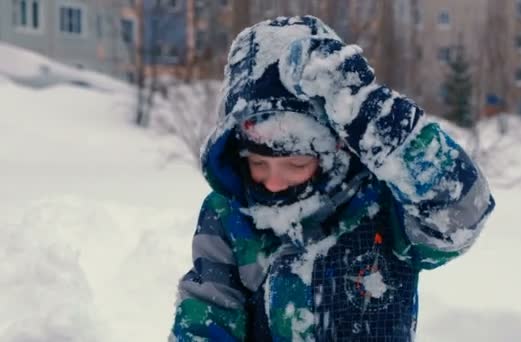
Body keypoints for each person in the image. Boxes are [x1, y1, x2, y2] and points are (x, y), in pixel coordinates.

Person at [171, 15, 495, 342]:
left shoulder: (381, 205)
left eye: (296, 164)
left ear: (334, 149)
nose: (273, 182)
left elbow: (462, 212)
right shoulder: (229, 217)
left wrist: (381, 120)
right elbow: (205, 318)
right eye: (258, 163)